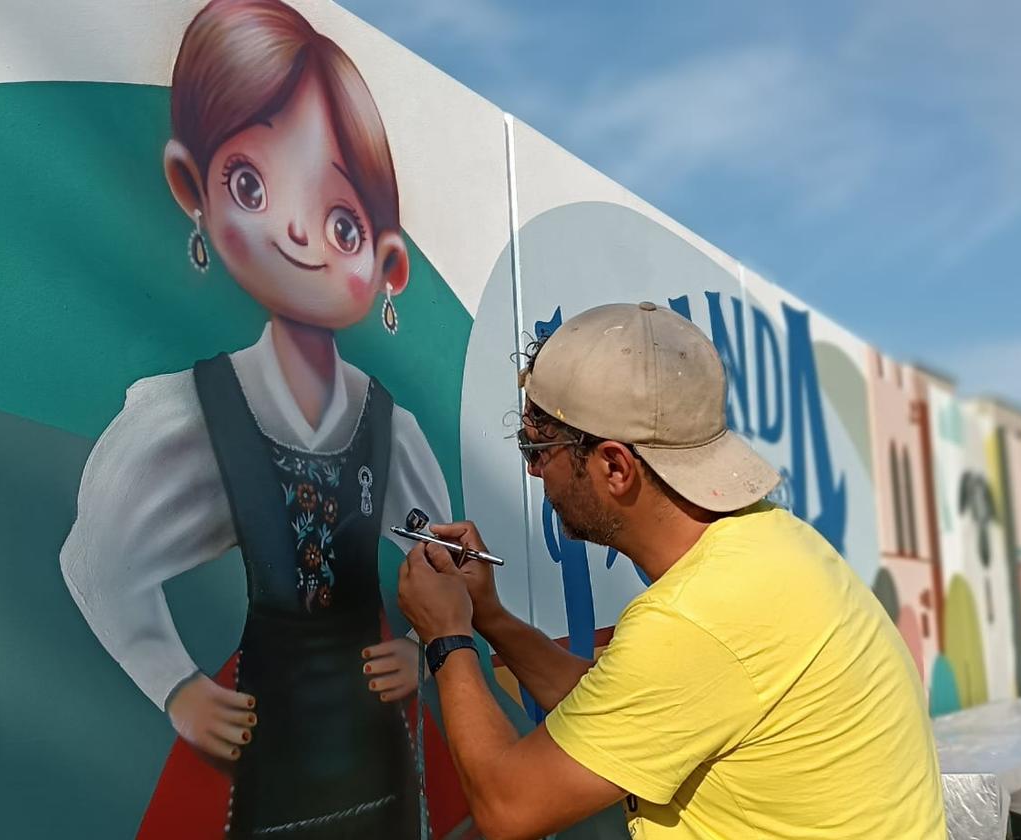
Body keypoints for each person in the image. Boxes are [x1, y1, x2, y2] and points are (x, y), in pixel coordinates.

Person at [60, 1, 445, 835]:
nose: (300, 231)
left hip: (378, 760)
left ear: (387, 265)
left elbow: (442, 556)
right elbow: (95, 557)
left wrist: (425, 650)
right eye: (253, 183)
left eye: (342, 221)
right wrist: (172, 681)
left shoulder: (392, 428)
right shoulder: (190, 416)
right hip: (266, 774)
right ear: (192, 189)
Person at [398, 301, 947, 839]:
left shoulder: (695, 619)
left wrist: (447, 638)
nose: (535, 472)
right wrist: (488, 615)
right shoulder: (769, 544)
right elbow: (617, 709)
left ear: (614, 466)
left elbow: (508, 806)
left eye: (537, 449)